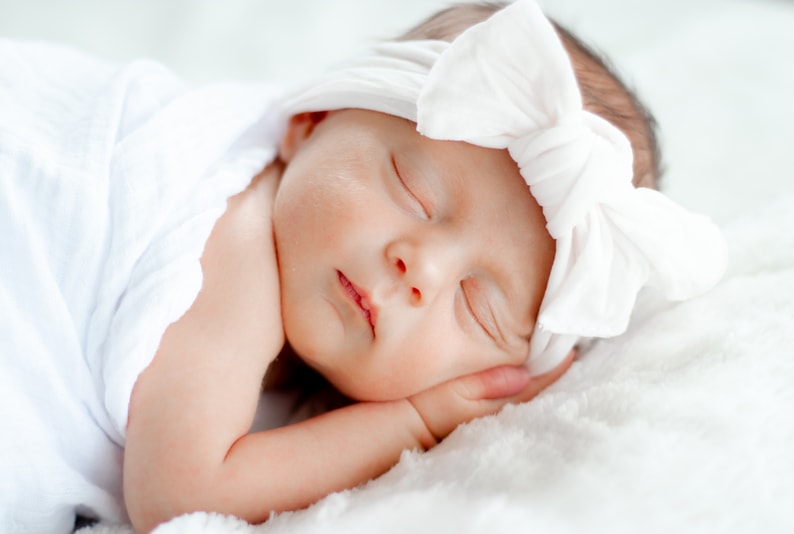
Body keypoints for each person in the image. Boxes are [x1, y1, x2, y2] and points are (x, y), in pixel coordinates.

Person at [0, 0, 726, 532]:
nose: (424, 269)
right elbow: (181, 494)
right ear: (309, 124)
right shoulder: (237, 236)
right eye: (413, 193)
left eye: (479, 305)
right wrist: (414, 418)